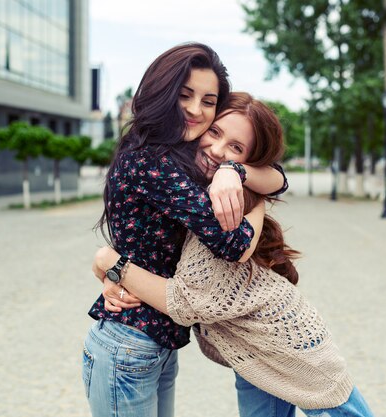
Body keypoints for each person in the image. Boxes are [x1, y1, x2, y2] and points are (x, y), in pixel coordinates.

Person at [94, 92, 375, 417]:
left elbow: (186, 303)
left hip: (290, 347)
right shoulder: (190, 186)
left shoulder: (224, 203)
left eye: (236, 148)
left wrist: (112, 263)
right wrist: (108, 270)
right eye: (215, 132)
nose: (217, 150)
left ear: (248, 160)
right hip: (253, 352)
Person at [83, 44, 288, 417]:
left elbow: (278, 178)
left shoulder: (179, 156)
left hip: (153, 347)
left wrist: (236, 171)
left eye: (208, 101)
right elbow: (235, 243)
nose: (196, 109)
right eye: (184, 95)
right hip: (128, 345)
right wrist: (253, 202)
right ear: (162, 93)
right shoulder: (153, 163)